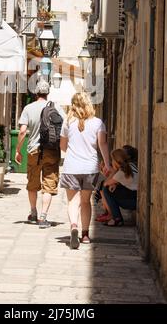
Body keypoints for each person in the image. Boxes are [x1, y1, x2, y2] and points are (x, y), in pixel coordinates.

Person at [60, 93, 110, 249]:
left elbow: (62, 146)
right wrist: (107, 164)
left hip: (71, 167)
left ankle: (74, 226)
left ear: (73, 105)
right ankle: (85, 234)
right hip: (90, 168)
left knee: (73, 202)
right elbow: (103, 144)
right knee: (85, 201)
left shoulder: (68, 122)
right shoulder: (98, 123)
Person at [16, 79, 64, 229]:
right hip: (51, 150)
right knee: (49, 184)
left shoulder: (28, 108)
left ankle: (33, 213)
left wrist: (18, 149)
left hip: (33, 151)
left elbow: (23, 131)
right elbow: (65, 127)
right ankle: (43, 217)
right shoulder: (56, 108)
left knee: (32, 183)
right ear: (48, 93)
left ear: (36, 93)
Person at [95, 144, 138, 222]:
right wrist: (115, 183)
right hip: (135, 197)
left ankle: (116, 217)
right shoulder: (131, 166)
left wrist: (114, 170)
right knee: (107, 188)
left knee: (106, 189)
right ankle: (109, 214)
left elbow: (106, 183)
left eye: (112, 160)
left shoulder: (121, 173)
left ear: (116, 161)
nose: (112, 162)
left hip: (133, 201)